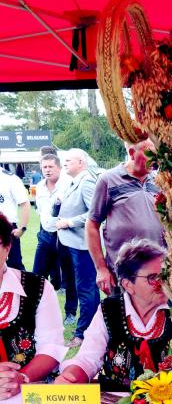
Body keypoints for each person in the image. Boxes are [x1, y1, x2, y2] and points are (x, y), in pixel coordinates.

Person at [57, 239, 172, 390]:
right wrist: (70, 377)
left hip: (170, 401)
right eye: (153, 278)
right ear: (128, 285)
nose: (163, 283)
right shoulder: (110, 309)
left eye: (165, 275)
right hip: (114, 400)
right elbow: (88, 358)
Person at [0, 213, 66, 399]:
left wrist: (19, 379)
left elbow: (51, 347)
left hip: (29, 394)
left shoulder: (37, 287)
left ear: (7, 248)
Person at [86, 138, 164, 296]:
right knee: (123, 311)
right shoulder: (108, 180)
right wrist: (101, 269)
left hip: (156, 270)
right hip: (123, 273)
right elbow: (91, 225)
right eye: (149, 154)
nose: (155, 159)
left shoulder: (158, 182)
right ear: (132, 153)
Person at [55, 149, 100, 348]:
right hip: (72, 243)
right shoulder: (75, 181)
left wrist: (69, 222)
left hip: (83, 246)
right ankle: (93, 328)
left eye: (68, 160)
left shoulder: (87, 181)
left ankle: (83, 333)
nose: (64, 163)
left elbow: (94, 213)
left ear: (81, 162)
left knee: (86, 289)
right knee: (86, 288)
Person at [33, 154, 78, 326]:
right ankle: (37, 312)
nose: (47, 170)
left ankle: (70, 312)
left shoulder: (69, 184)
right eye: (44, 167)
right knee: (37, 276)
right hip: (45, 236)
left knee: (69, 276)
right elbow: (41, 212)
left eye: (51, 166)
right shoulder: (39, 186)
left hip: (65, 235)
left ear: (59, 168)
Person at [0, 166, 30, 270]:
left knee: (14, 267)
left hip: (5, 228)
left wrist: (22, 228)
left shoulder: (10, 179)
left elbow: (24, 203)